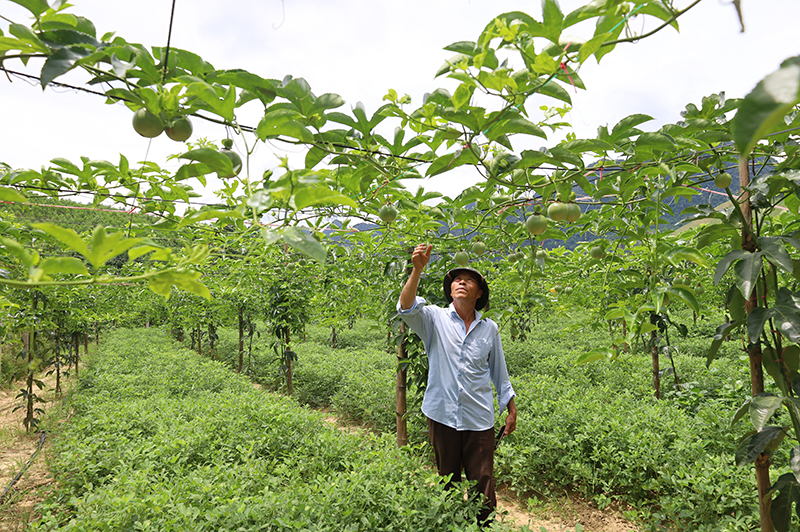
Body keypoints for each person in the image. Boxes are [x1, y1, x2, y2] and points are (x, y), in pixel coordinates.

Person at [397, 243, 517, 526]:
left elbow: (500, 371)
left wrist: (510, 409)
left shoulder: (490, 329)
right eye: (456, 280)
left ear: (479, 293)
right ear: (450, 290)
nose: (461, 282)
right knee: (447, 479)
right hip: (443, 416)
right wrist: (417, 269)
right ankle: (449, 525)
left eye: (469, 279)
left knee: (483, 484)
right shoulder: (434, 319)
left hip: (479, 419)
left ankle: (483, 527)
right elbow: (406, 307)